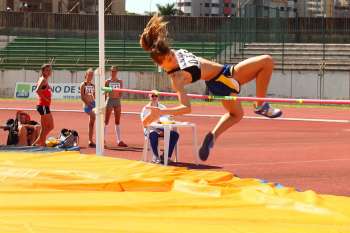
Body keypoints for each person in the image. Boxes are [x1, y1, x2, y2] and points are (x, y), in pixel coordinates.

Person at [140, 15, 282, 161]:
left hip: (216, 82)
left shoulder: (169, 53)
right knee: (267, 62)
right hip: (225, 76)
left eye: (171, 54)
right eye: (169, 59)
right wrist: (161, 111)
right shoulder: (177, 78)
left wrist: (153, 38)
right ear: (161, 65)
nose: (173, 58)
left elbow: (158, 45)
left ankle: (212, 136)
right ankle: (260, 105)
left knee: (236, 114)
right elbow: (186, 107)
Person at [141, 90, 179, 164]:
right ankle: (156, 157)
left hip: (163, 129)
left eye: (156, 96)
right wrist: (158, 131)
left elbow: (167, 119)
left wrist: (170, 119)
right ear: (149, 97)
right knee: (153, 134)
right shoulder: (146, 109)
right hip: (150, 130)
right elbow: (145, 124)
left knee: (175, 135)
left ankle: (166, 156)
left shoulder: (162, 107)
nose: (154, 97)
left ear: (158, 97)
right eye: (152, 96)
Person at [104, 66, 128, 147]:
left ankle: (119, 140)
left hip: (117, 101)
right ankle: (103, 140)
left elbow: (121, 93)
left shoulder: (120, 81)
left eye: (114, 71)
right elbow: (105, 93)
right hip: (110, 100)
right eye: (111, 71)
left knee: (117, 121)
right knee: (106, 121)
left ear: (117, 72)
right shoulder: (107, 81)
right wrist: (104, 103)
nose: (113, 72)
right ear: (110, 72)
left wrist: (117, 94)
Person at [32, 64, 54, 146]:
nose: (49, 72)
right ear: (43, 71)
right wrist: (45, 99)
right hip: (43, 106)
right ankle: (41, 143)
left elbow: (42, 88)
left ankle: (37, 143)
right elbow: (37, 91)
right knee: (50, 126)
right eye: (47, 70)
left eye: (50, 70)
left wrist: (49, 87)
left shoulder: (43, 79)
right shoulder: (43, 80)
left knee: (44, 128)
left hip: (44, 106)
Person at [80, 68, 96, 148]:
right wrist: (88, 104)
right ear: (86, 75)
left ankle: (90, 140)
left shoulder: (93, 85)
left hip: (93, 104)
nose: (90, 76)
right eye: (89, 74)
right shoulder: (83, 84)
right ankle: (92, 140)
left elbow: (94, 96)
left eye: (92, 75)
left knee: (92, 123)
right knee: (94, 116)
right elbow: (82, 97)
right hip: (87, 106)